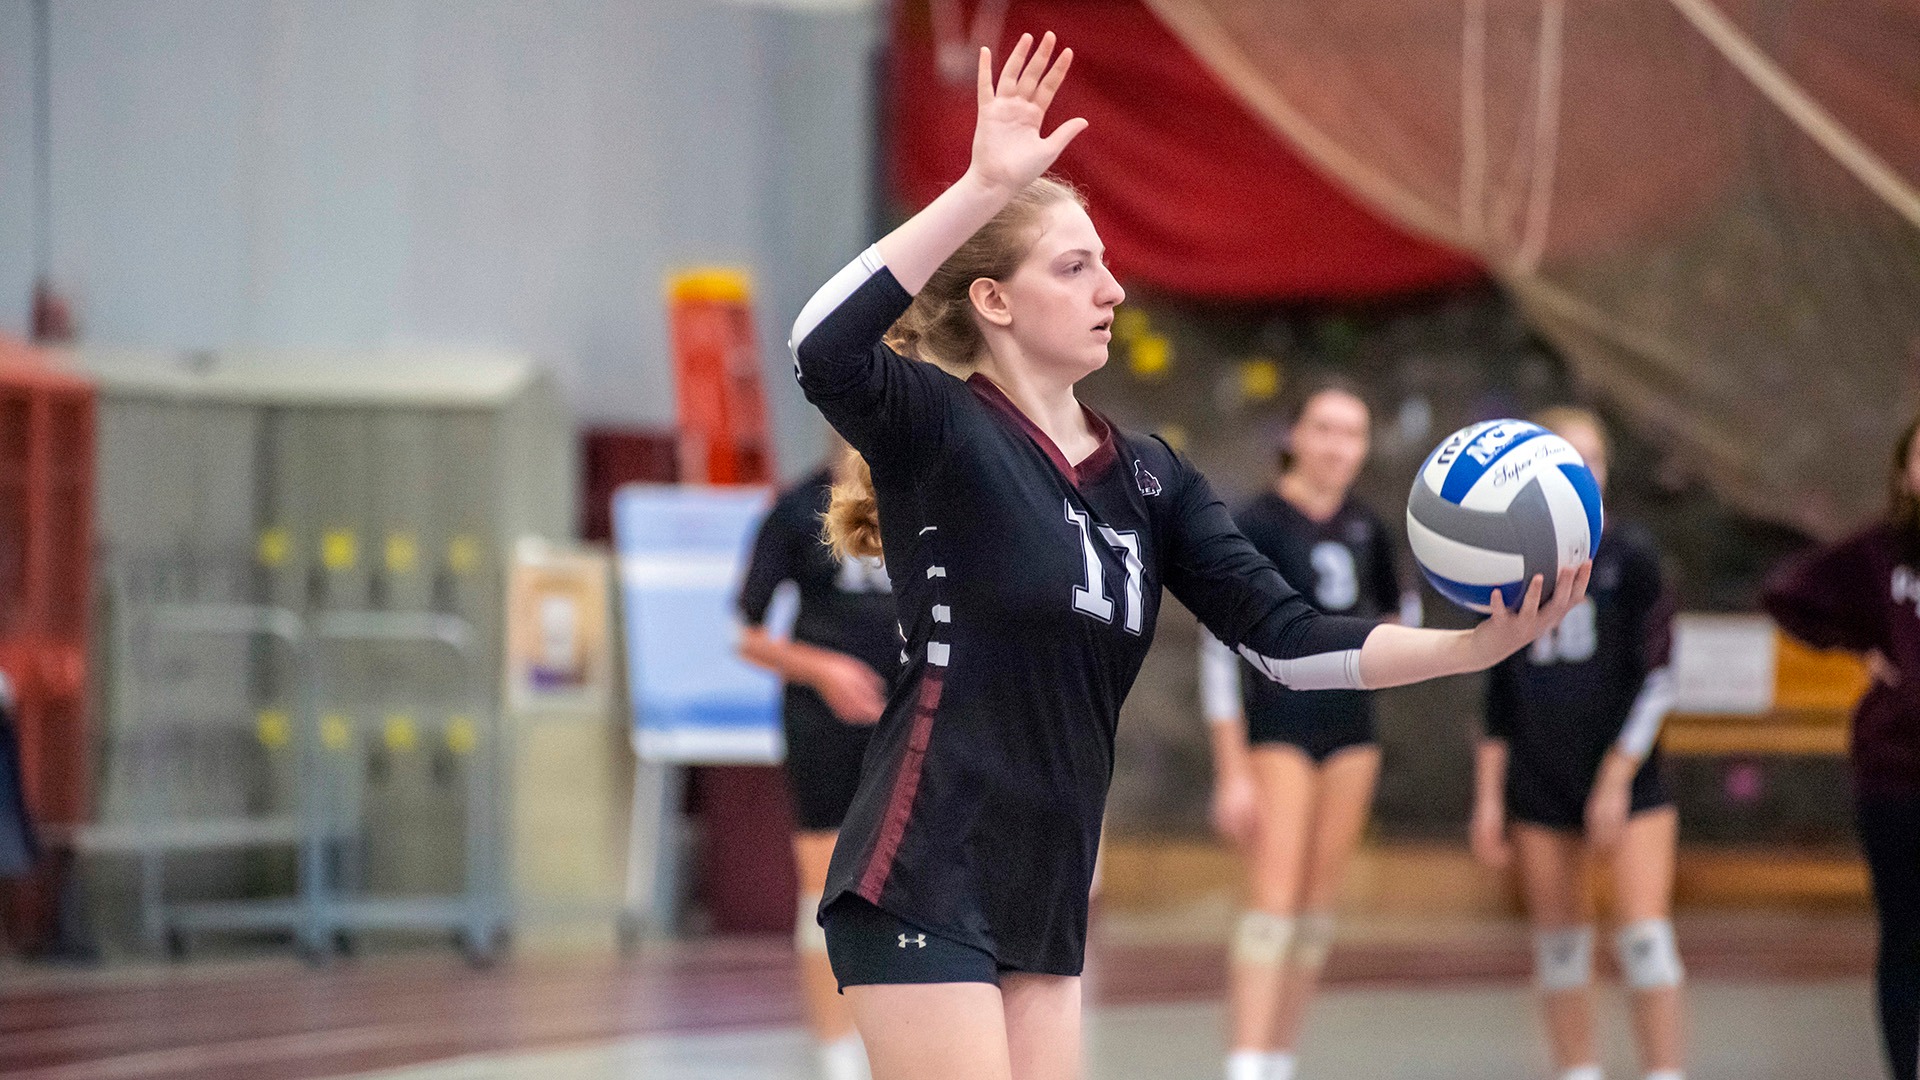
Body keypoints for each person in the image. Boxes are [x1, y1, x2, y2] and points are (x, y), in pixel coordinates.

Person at [789, 33, 1590, 1080]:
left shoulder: (1150, 480)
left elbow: (1289, 640)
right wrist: (981, 188)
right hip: (924, 865)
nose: (1112, 289)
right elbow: (821, 345)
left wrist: (1471, 649)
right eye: (1076, 268)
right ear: (994, 300)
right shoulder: (940, 431)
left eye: (1108, 264)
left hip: (1046, 881)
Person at [1201, 381, 1409, 1080]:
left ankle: (1280, 1056)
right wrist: (1231, 770)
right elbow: (1216, 651)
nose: (1337, 446)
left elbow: (1396, 629)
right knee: (1272, 900)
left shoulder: (1369, 529)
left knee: (1318, 909)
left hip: (1351, 731)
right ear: (1294, 436)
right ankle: (1246, 1059)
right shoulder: (1256, 524)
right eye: (1323, 428)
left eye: (1352, 433)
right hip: (1276, 726)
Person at [1471, 407, 1685, 1080]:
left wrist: (1619, 776)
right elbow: (1496, 699)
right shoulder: (1503, 565)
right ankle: (1577, 1071)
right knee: (1561, 945)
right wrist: (1488, 800)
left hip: (1628, 779)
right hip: (1540, 777)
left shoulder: (1632, 556)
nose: (1583, 471)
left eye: (1593, 459)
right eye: (1567, 458)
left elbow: (1661, 675)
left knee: (1644, 937)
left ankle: (1665, 1071)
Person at [1762, 411, 1920, 1080]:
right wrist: (1862, 648)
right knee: (1906, 934)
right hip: (1897, 772)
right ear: (1903, 472)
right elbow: (1787, 594)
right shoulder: (1879, 552)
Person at [737, 442, 901, 1080]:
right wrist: (824, 669)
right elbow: (745, 634)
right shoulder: (797, 507)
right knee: (825, 887)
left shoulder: (926, 494)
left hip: (915, 718)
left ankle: (902, 1041)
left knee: (914, 886)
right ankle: (837, 1057)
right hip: (824, 724)